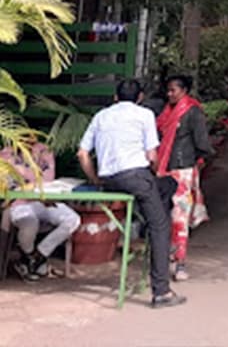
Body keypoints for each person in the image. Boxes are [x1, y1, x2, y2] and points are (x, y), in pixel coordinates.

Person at [77, 78, 185, 308]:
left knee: (166, 187)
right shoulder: (144, 115)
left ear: (116, 97)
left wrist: (95, 178)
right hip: (136, 177)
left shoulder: (101, 116)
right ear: (140, 98)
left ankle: (152, 219)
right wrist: (151, 174)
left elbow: (82, 154)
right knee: (160, 225)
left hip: (109, 179)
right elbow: (152, 156)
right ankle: (161, 291)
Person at [155, 75, 212, 283]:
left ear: (185, 90)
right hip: (166, 170)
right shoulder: (166, 112)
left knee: (178, 219)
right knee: (168, 218)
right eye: (168, 90)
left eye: (173, 90)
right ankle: (170, 259)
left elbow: (201, 142)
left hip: (181, 171)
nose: (170, 94)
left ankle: (180, 262)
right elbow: (203, 145)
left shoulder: (192, 111)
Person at [0, 141, 79, 281]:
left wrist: (23, 172)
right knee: (30, 223)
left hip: (43, 200)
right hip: (18, 202)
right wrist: (34, 176)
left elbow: (48, 179)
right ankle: (30, 257)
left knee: (72, 219)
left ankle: (37, 256)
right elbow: (8, 179)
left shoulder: (43, 150)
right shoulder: (7, 153)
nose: (28, 137)